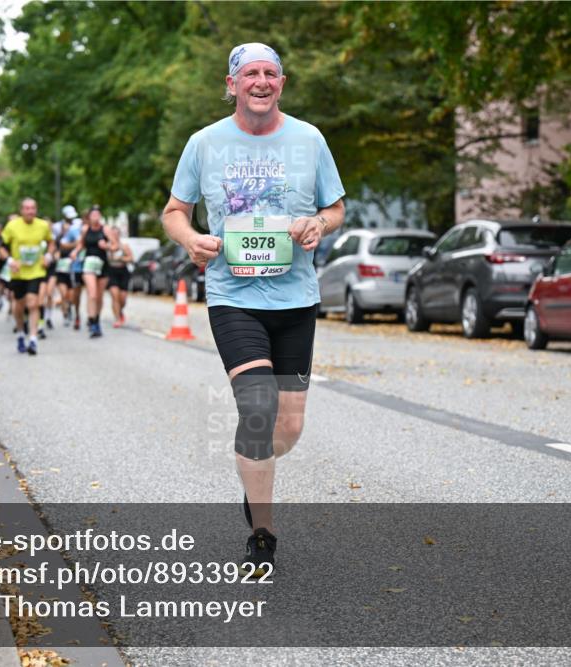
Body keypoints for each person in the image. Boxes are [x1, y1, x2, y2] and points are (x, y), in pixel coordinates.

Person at [161, 42, 345, 576]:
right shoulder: (205, 143)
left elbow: (335, 207)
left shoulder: (309, 139)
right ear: (232, 83)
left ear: (281, 84)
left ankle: (254, 469)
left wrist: (320, 223)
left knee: (287, 428)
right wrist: (190, 239)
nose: (261, 82)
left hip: (296, 299)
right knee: (258, 407)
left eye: (270, 73)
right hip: (232, 296)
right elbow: (175, 212)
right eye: (250, 74)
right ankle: (262, 533)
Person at [0, 198, 55, 355]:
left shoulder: (43, 225)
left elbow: (51, 242)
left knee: (33, 303)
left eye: (33, 208)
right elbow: (2, 247)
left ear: (36, 210)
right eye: (27, 208)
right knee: (18, 306)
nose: (30, 211)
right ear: (21, 210)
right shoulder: (12, 226)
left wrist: (48, 256)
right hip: (18, 273)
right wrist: (10, 260)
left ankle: (33, 339)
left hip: (36, 271)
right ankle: (20, 333)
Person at [71, 205, 116, 338]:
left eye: (98, 214)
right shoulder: (85, 229)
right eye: (93, 214)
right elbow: (81, 244)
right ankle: (92, 321)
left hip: (102, 265)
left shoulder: (106, 229)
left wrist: (107, 246)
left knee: (100, 296)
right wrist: (75, 252)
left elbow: (116, 245)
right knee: (93, 294)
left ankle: (96, 320)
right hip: (88, 264)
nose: (95, 217)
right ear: (89, 217)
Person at [59, 214, 85, 329]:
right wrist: (77, 244)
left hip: (89, 266)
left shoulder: (96, 229)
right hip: (73, 267)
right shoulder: (73, 231)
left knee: (89, 294)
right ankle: (73, 312)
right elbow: (62, 244)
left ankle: (92, 318)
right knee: (70, 294)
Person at [105, 226, 134, 328]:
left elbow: (131, 258)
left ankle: (120, 311)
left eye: (117, 233)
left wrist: (121, 258)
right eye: (113, 233)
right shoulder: (106, 246)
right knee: (115, 295)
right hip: (111, 272)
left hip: (123, 272)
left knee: (123, 299)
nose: (115, 235)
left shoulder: (124, 246)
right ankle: (117, 319)